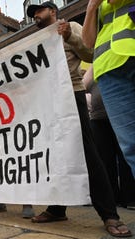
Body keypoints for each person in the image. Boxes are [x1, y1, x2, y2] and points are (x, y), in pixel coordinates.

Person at [26, 2, 132, 237]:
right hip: (47, 101)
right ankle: (56, 209)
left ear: (53, 11)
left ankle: (109, 214)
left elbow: (89, 53)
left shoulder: (70, 26)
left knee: (88, 154)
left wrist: (69, 37)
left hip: (70, 96)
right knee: (53, 156)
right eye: (32, 14)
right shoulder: (36, 42)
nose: (35, 16)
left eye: (38, 12)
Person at [82, 0, 135, 180]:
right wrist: (91, 9)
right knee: (130, 146)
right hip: (110, 71)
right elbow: (88, 42)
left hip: (130, 57)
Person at [83, 65, 135, 210]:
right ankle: (112, 196)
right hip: (98, 118)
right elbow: (84, 84)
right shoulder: (95, 65)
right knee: (105, 159)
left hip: (120, 116)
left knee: (125, 157)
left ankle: (130, 198)